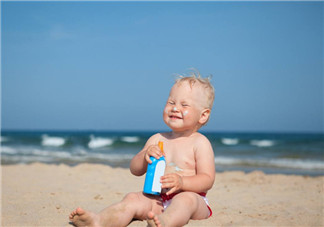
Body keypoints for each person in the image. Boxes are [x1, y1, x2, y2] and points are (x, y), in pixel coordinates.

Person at [69, 72, 215, 227]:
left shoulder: (200, 143)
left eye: (184, 105)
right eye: (171, 102)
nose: (175, 108)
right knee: (132, 198)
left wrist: (182, 182)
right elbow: (135, 169)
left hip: (194, 200)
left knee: (185, 200)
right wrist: (145, 155)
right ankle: (99, 221)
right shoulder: (157, 139)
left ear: (203, 115)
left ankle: (165, 222)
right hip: (158, 199)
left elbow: (207, 179)